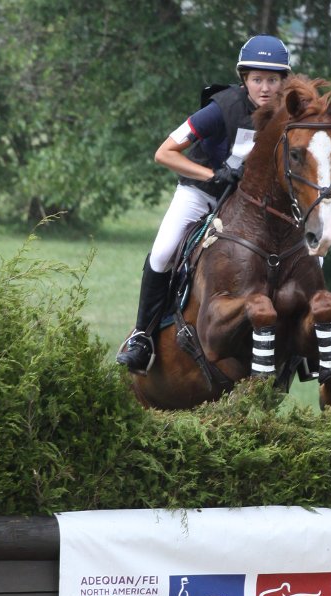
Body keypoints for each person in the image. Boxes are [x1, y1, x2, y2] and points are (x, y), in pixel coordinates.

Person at [117, 35, 291, 374]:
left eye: (273, 79)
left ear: (284, 81)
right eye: (257, 79)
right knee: (164, 252)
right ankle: (143, 337)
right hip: (203, 192)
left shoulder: (288, 114)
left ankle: (297, 350)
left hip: (254, 207)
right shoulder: (220, 108)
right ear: (245, 79)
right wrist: (212, 174)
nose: (265, 88)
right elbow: (164, 152)